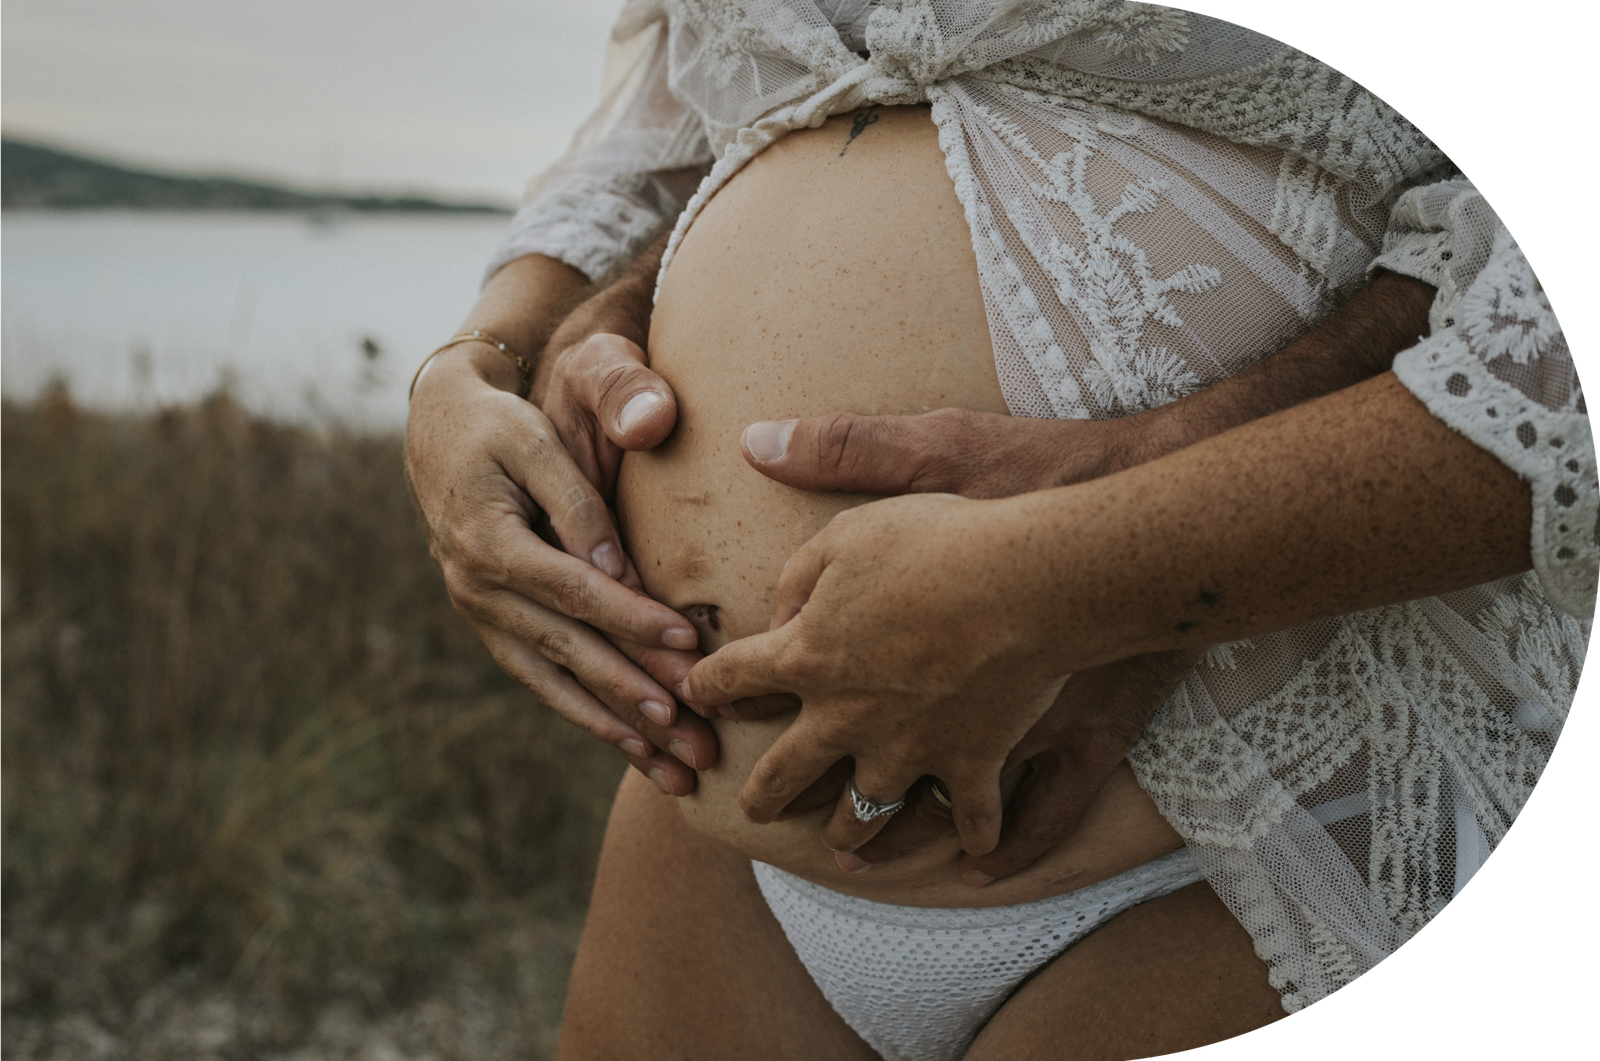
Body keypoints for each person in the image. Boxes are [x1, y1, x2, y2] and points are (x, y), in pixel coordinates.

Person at [404, 3, 1592, 1056]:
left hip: (1244, 839)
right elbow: (677, 115)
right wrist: (489, 356)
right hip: (718, 850)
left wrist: (1091, 566)